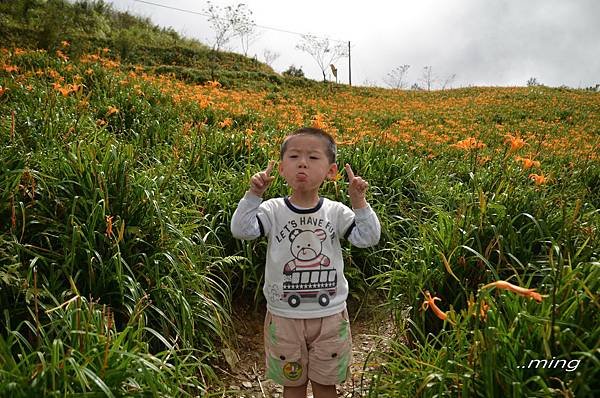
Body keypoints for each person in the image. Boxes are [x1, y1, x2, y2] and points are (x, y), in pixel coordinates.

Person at [230, 127, 380, 398]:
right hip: (284, 314)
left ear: (331, 171)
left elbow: (368, 238)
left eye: (313, 158)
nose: (302, 162)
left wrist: (359, 202)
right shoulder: (272, 209)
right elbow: (242, 230)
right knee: (293, 385)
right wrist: (253, 195)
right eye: (294, 156)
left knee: (326, 386)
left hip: (331, 315)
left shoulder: (335, 211)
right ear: (281, 168)